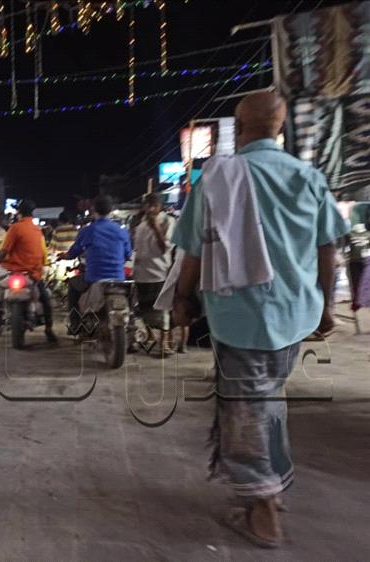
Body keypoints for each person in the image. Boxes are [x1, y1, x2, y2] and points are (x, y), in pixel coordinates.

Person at [172, 91, 348, 548]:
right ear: (281, 126)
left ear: (239, 126)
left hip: (240, 315)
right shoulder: (307, 177)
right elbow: (327, 248)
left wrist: (182, 299)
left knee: (246, 407)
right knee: (268, 397)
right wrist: (326, 308)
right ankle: (273, 484)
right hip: (295, 314)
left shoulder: (216, 179)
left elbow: (193, 252)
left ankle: (262, 506)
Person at [0, 199, 57, 343]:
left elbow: (3, 252)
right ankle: (49, 328)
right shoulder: (38, 231)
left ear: (19, 213)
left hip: (12, 270)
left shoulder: (15, 228)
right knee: (45, 298)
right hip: (33, 273)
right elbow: (43, 254)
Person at [58, 196, 132, 335]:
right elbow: (128, 254)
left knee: (73, 285)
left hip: (94, 276)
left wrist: (63, 256)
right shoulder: (121, 231)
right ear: (110, 211)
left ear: (94, 210)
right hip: (118, 277)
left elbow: (73, 253)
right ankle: (132, 324)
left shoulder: (88, 231)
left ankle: (75, 325)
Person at [134, 193, 176, 355]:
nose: (150, 209)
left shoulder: (168, 221)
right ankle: (150, 337)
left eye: (153, 205)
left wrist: (156, 227)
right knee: (145, 309)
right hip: (141, 273)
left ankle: (164, 344)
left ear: (159, 206)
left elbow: (165, 248)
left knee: (162, 309)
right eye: (148, 205)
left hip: (160, 272)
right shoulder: (141, 224)